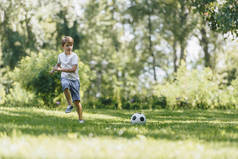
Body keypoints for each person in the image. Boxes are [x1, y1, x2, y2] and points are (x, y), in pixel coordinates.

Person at [50, 36, 84, 123]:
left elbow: (73, 70)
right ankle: (69, 105)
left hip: (74, 80)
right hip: (65, 77)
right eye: (67, 45)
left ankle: (80, 119)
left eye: (71, 45)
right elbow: (58, 64)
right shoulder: (60, 56)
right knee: (64, 85)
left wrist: (60, 69)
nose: (69, 47)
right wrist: (53, 70)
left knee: (76, 101)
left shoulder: (74, 56)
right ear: (63, 46)